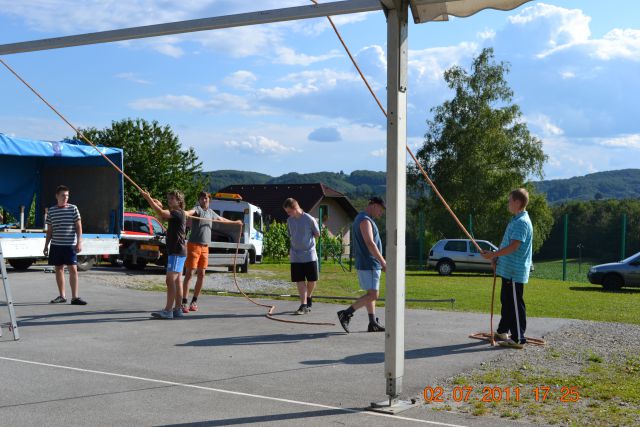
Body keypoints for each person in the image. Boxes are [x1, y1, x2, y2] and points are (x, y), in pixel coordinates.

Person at [481, 188, 533, 349]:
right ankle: (503, 331)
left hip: (514, 272)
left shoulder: (522, 222)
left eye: (509, 200)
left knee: (515, 304)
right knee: (507, 302)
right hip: (508, 269)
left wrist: (494, 254)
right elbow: (507, 244)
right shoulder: (516, 220)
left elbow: (514, 246)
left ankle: (518, 338)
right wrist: (496, 257)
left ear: (517, 202)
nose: (508, 204)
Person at [181, 191, 242, 312]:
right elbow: (190, 212)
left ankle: (194, 301)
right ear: (199, 200)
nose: (204, 200)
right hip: (194, 245)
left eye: (207, 199)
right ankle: (184, 302)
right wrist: (185, 213)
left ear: (209, 201)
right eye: (202, 198)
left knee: (202, 274)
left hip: (205, 247)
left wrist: (235, 222)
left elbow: (221, 219)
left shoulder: (210, 212)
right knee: (189, 273)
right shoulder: (197, 209)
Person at [337, 197, 386, 332]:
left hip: (368, 263)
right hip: (369, 263)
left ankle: (372, 323)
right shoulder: (365, 220)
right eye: (380, 210)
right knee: (373, 295)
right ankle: (346, 313)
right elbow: (370, 243)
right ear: (374, 205)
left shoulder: (363, 218)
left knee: (370, 293)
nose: (381, 213)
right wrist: (382, 262)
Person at [142, 189, 193, 319]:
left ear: (179, 201)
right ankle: (177, 310)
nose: (169, 201)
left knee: (170, 280)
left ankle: (168, 310)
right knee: (177, 282)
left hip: (177, 251)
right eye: (169, 198)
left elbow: (161, 213)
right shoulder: (176, 213)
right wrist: (158, 206)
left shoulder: (178, 212)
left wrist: (148, 198)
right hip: (177, 251)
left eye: (172, 199)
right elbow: (161, 217)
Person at [43, 185, 87, 305]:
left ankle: (75, 297)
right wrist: (46, 245)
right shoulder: (51, 210)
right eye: (63, 195)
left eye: (67, 195)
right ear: (57, 196)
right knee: (59, 269)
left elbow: (79, 227)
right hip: (56, 245)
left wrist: (79, 242)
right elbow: (50, 230)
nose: (65, 197)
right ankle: (62, 296)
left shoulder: (73, 208)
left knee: (73, 269)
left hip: (70, 245)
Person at [283, 198, 320, 315]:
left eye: (289, 211)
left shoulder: (309, 219)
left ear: (295, 208)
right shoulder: (289, 220)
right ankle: (303, 304)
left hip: (309, 254)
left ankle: (308, 297)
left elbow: (317, 234)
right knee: (299, 280)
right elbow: (291, 235)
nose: (288, 214)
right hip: (295, 255)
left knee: (312, 280)